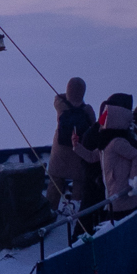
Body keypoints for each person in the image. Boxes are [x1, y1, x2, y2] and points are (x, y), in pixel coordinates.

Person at [86, 92, 137, 218]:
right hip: (106, 189)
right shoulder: (113, 141)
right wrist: (133, 180)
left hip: (111, 191)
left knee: (99, 213)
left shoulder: (108, 138)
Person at [47, 77, 95, 208]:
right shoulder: (87, 110)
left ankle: (50, 210)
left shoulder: (61, 106)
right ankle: (76, 207)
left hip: (60, 152)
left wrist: (67, 97)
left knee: (55, 180)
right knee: (79, 181)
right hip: (78, 150)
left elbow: (57, 97)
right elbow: (94, 127)